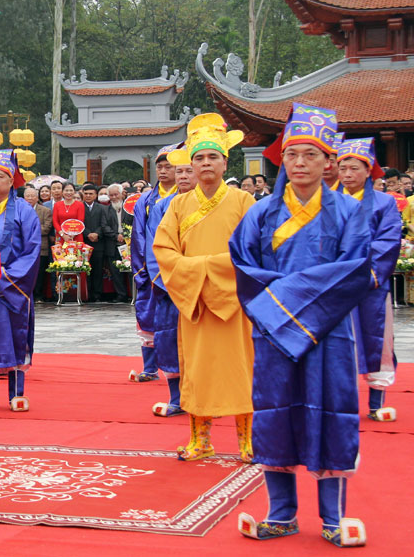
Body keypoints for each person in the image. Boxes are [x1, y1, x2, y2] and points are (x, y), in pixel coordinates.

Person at [230, 104, 372, 547]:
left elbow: (355, 271)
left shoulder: (350, 213)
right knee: (275, 414)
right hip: (274, 334)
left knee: (331, 413)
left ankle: (332, 517)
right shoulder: (260, 214)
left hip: (327, 332)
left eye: (311, 155)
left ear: (328, 160)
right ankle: (281, 513)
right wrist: (285, 306)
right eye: (293, 155)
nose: (300, 163)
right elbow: (243, 265)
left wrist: (286, 299)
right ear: (282, 160)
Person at [153, 113, 255, 463]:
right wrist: (200, 271)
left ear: (226, 162)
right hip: (195, 303)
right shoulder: (177, 205)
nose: (206, 162)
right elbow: (164, 251)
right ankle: (201, 439)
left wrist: (204, 267)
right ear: (191, 165)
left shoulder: (243, 202)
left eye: (213, 156)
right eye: (199, 157)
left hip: (234, 303)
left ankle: (247, 441)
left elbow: (253, 252)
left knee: (241, 368)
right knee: (196, 371)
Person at [334, 138, 401, 421]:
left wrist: (363, 271)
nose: (347, 174)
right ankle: (339, 404)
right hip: (335, 283)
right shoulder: (328, 201)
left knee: (375, 338)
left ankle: (376, 402)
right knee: (337, 342)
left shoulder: (384, 203)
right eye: (343, 168)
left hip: (369, 283)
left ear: (369, 170)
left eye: (354, 168)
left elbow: (387, 241)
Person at [0, 150, 41, 411]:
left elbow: (32, 249)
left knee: (14, 335)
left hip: (11, 284)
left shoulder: (24, 211)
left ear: (11, 180)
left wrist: (8, 274)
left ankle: (16, 393)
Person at [144, 149, 196, 417]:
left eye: (189, 170)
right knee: (171, 341)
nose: (183, 175)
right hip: (171, 287)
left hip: (207, 288)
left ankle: (207, 397)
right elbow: (155, 247)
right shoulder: (163, 206)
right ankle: (176, 397)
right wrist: (168, 281)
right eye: (180, 171)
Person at [130, 144, 180, 383]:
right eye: (159, 167)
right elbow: (138, 234)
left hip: (178, 269)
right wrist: (141, 267)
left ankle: (180, 370)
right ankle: (149, 368)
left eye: (168, 166)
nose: (162, 171)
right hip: (151, 267)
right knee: (148, 314)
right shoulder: (147, 199)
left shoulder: (184, 196)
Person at [80, 183, 111, 301]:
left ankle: (97, 294)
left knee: (98, 270)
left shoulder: (102, 208)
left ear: (96, 195)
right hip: (84, 241)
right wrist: (88, 233)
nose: (88, 196)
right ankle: (86, 293)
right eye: (86, 194)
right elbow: (78, 223)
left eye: (91, 194)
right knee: (85, 269)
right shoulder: (79, 206)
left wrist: (97, 233)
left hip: (98, 242)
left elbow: (103, 223)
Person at [23, 186, 52, 301]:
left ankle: (38, 295)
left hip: (40, 247)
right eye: (27, 196)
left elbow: (46, 228)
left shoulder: (45, 211)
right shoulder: (19, 210)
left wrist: (28, 230)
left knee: (39, 273)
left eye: (32, 196)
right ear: (24, 198)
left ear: (37, 197)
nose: (30, 198)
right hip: (24, 247)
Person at [104, 183, 132, 302]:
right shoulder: (105, 209)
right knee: (115, 272)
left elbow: (135, 223)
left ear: (122, 194)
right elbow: (104, 226)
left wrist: (126, 235)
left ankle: (134, 294)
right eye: (111, 195)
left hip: (129, 243)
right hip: (113, 243)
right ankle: (121, 295)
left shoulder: (130, 208)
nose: (114, 197)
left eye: (116, 194)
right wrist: (116, 236)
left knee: (131, 271)